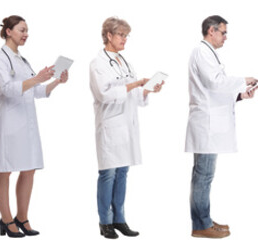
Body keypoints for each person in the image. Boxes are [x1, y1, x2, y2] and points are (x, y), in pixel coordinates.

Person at [0, 15, 69, 238]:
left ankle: (21, 217)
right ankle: (6, 219)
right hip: (9, 121)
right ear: (8, 31)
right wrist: (38, 78)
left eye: (27, 31)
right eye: (21, 30)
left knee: (29, 168)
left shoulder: (22, 60)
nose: (26, 34)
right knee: (4, 170)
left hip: (27, 122)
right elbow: (6, 88)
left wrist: (55, 82)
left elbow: (36, 92)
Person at [185, 15, 258, 239]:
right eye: (223, 32)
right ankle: (200, 224)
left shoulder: (210, 54)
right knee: (203, 175)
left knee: (206, 175)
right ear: (211, 31)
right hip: (205, 124)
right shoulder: (201, 52)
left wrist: (240, 95)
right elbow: (213, 83)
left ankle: (204, 219)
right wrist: (243, 79)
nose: (226, 37)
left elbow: (216, 90)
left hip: (212, 122)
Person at [89, 16, 164, 239]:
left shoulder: (125, 62)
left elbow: (134, 95)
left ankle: (119, 219)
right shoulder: (97, 63)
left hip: (127, 127)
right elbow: (104, 94)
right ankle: (105, 222)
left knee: (123, 173)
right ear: (109, 35)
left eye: (126, 35)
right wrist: (137, 83)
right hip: (111, 127)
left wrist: (148, 89)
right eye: (121, 34)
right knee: (108, 174)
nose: (124, 39)